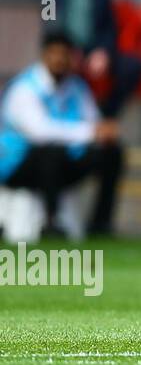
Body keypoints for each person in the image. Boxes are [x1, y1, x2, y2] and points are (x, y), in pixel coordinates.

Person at [0, 32, 124, 238]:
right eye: (54, 54)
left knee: (112, 152)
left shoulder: (76, 87)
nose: (59, 59)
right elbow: (40, 132)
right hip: (17, 166)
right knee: (50, 152)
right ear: (43, 55)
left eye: (64, 54)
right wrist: (91, 132)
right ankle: (50, 222)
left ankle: (101, 224)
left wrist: (103, 132)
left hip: (61, 163)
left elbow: (92, 121)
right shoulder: (24, 88)